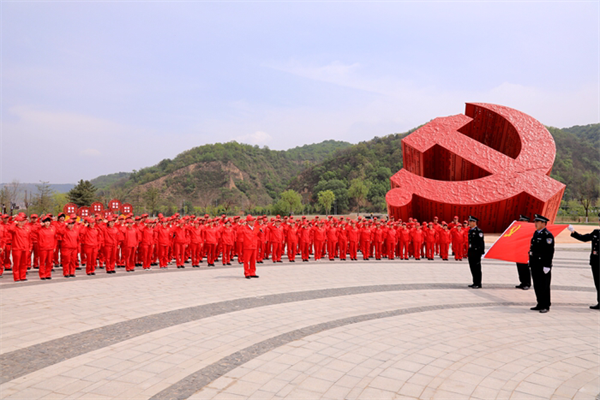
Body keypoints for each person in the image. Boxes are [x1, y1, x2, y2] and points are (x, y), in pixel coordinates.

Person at [568, 213, 600, 310]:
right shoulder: (596, 232)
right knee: (598, 283)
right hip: (595, 262)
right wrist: (573, 232)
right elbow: (584, 238)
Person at [528, 214, 554, 313]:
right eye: (535, 222)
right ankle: (539, 303)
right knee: (537, 284)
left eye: (537, 222)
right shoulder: (536, 233)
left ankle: (545, 305)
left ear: (543, 223)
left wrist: (547, 265)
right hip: (535, 264)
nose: (535, 224)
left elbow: (549, 251)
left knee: (544, 285)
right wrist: (530, 259)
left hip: (543, 264)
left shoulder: (548, 235)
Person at [467, 216, 484, 288]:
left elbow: (481, 242)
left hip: (477, 252)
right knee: (472, 267)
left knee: (477, 268)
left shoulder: (479, 231)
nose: (469, 223)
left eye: (470, 222)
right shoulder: (470, 230)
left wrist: (481, 252)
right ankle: (474, 282)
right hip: (471, 251)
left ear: (474, 222)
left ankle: (478, 283)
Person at [515, 215, 531, 290]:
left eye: (522, 220)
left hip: (526, 253)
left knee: (526, 269)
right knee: (520, 268)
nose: (520, 222)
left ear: (526, 221)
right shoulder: (518, 229)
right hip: (519, 252)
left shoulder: (530, 230)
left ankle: (527, 283)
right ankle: (522, 282)